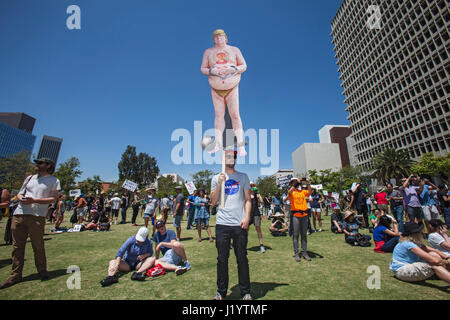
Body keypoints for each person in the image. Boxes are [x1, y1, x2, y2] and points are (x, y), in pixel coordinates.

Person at [0, 158, 60, 289]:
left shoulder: (54, 180)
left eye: (40, 163)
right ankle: (15, 275)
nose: (36, 165)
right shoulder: (29, 178)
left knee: (38, 245)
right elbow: (20, 194)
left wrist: (34, 200)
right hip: (19, 214)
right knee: (17, 247)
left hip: (37, 216)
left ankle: (42, 271)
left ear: (48, 165)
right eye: (36, 163)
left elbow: (53, 199)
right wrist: (21, 198)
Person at [210, 150, 252, 300]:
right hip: (222, 224)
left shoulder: (243, 177)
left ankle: (245, 291)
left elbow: (248, 199)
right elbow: (214, 202)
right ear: (223, 158)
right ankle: (221, 292)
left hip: (239, 224)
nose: (232, 158)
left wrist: (247, 218)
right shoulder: (216, 178)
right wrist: (220, 184)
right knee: (222, 259)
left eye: (234, 156)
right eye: (229, 156)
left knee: (242, 258)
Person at [200, 29, 248, 156]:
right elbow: (203, 68)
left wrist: (233, 69)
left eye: (221, 37)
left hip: (232, 86)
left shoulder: (234, 50)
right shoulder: (208, 52)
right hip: (216, 88)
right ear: (213, 39)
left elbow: (244, 65)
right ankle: (218, 144)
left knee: (235, 115)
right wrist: (212, 71)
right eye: (216, 37)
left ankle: (241, 146)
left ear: (226, 38)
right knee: (218, 115)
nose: (218, 39)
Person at [288, 178, 312, 262]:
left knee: (304, 234)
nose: (298, 184)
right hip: (295, 215)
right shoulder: (291, 192)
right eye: (294, 183)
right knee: (296, 234)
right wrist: (297, 182)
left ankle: (304, 252)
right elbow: (290, 191)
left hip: (304, 215)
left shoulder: (302, 191)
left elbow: (309, 193)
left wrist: (308, 184)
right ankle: (296, 253)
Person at [249, 186, 265, 253]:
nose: (251, 187)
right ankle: (243, 245)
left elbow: (261, 201)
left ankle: (261, 245)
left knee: (258, 229)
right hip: (248, 214)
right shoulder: (247, 194)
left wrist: (258, 193)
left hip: (256, 213)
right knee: (245, 229)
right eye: (250, 186)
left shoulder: (257, 195)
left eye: (252, 186)